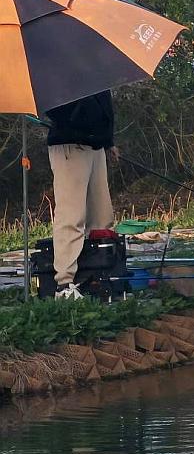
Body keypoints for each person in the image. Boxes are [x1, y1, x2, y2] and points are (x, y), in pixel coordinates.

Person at [46, 90, 117, 299]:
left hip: (95, 146)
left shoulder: (96, 66)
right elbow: (55, 108)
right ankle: (64, 284)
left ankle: (98, 277)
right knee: (72, 215)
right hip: (70, 143)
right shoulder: (58, 68)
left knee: (102, 218)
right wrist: (78, 123)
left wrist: (108, 141)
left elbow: (105, 104)